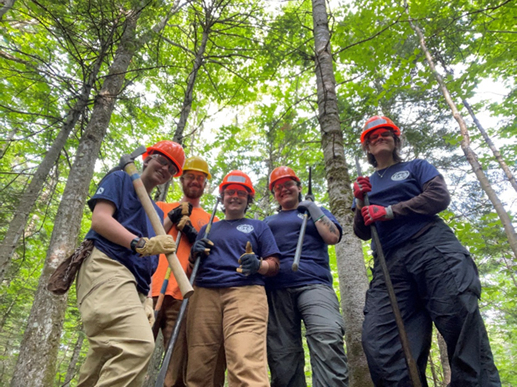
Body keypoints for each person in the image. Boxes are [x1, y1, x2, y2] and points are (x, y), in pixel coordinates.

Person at [353, 116, 501, 386]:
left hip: (431, 247)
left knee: (459, 321)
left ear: (396, 139)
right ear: (367, 148)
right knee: (380, 342)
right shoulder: (367, 184)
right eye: (372, 137)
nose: (379, 138)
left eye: (385, 133)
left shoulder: (416, 166)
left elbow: (438, 196)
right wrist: (360, 200)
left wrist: (389, 211)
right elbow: (362, 232)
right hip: (388, 265)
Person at [75, 140, 185, 386]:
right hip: (107, 267)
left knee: (106, 358)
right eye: (162, 161)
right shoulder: (120, 180)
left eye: (172, 169)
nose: (165, 169)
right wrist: (141, 244)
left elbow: (151, 254)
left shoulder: (156, 213)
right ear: (147, 158)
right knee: (137, 345)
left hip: (137, 287)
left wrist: (146, 297)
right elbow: (100, 221)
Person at [185, 170, 280, 387]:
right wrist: (193, 255)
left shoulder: (259, 226)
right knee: (200, 365)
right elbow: (192, 271)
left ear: (248, 199)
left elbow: (274, 264)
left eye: (241, 193)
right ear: (222, 197)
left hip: (245, 292)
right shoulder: (207, 228)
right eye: (230, 192)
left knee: (245, 359)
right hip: (203, 294)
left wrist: (258, 265)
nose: (235, 196)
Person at [265, 166, 349, 387]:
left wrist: (313, 208)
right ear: (274, 194)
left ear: (299, 187)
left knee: (327, 335)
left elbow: (333, 236)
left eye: (288, 185)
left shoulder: (315, 213)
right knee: (282, 354)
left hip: (315, 285)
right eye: (278, 187)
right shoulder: (267, 222)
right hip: (276, 289)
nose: (284, 190)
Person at [151, 156, 224, 387]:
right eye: (190, 176)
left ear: (205, 184)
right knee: (132, 350)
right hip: (149, 289)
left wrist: (194, 235)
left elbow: (211, 259)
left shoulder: (213, 221)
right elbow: (148, 240)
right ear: (181, 179)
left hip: (184, 297)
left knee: (176, 363)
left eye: (200, 178)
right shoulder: (161, 207)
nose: (195, 181)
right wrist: (171, 219)